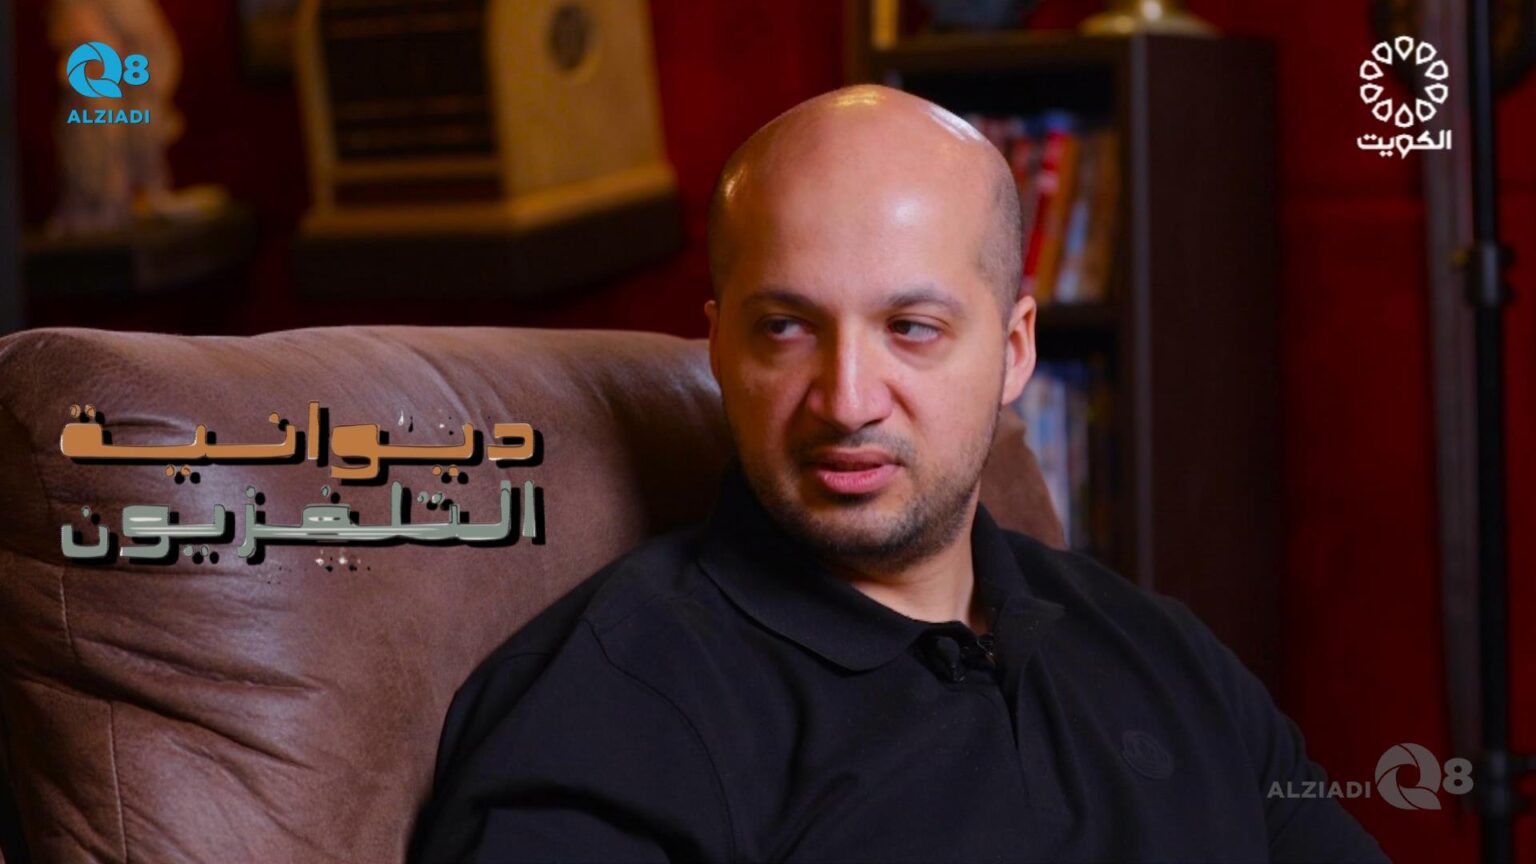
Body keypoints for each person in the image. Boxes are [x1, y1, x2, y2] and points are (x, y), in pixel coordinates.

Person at [410, 84, 1388, 863]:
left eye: (912, 329)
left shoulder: (1168, 658)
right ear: (718, 349)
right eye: (785, 327)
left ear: (1014, 350)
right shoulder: (609, 710)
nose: (847, 400)